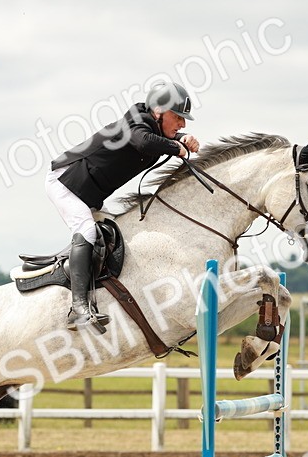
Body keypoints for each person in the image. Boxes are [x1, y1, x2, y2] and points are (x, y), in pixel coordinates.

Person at [46, 82, 200, 330]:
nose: (182, 123)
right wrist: (176, 145)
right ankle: (78, 309)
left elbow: (157, 137)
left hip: (87, 192)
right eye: (177, 117)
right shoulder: (136, 121)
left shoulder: (151, 124)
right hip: (65, 181)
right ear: (158, 111)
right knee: (86, 231)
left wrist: (181, 138)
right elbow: (144, 141)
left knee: (114, 235)